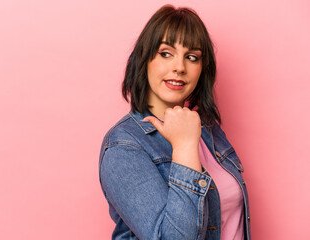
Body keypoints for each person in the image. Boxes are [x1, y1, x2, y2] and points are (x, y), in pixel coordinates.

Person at [98, 4, 251, 240]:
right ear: (145, 58)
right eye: (166, 53)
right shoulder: (124, 146)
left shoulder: (208, 129)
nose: (179, 67)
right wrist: (184, 147)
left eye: (192, 57)